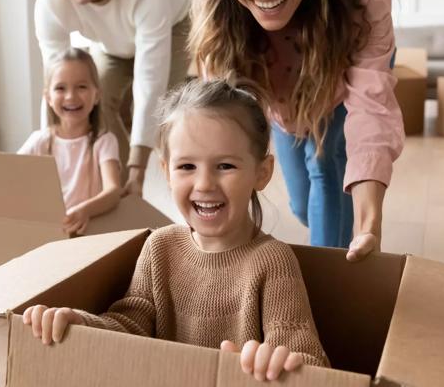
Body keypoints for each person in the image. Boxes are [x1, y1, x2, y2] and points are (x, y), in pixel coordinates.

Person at [22, 78, 330, 382]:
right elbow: (131, 325)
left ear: (261, 173)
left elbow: (309, 358)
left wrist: (280, 363)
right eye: (187, 167)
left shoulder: (273, 262)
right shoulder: (159, 248)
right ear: (166, 172)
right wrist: (82, 324)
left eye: (225, 166)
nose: (205, 184)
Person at [189, 0, 404, 261]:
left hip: (341, 86)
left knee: (326, 170)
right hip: (280, 99)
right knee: (303, 205)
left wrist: (369, 224)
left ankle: (330, 284)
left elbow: (371, 108)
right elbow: (217, 110)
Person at [34, 0, 190, 198]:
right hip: (111, 44)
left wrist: (139, 167)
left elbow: (149, 77)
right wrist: (48, 156)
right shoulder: (49, 4)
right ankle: (114, 185)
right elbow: (54, 85)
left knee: (164, 112)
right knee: (94, 97)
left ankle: (177, 182)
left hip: (173, 25)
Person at [0, 48, 123, 236]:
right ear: (48, 98)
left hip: (89, 235)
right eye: (60, 88)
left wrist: (85, 211)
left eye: (81, 87)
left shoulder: (104, 141)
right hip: (46, 235)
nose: (70, 96)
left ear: (97, 95)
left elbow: (114, 191)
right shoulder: (39, 141)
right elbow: (2, 177)